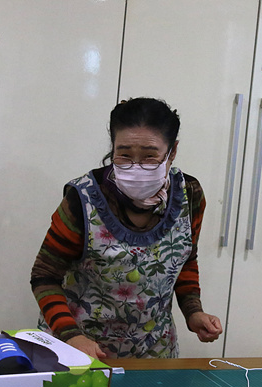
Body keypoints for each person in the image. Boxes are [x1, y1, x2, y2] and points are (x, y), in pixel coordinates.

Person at [30, 97, 223, 359]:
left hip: (153, 351)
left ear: (172, 152)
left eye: (149, 156)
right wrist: (72, 336)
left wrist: (193, 311)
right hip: (80, 348)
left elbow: (185, 260)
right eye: (124, 155)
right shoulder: (83, 199)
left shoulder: (189, 195)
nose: (136, 166)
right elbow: (45, 275)